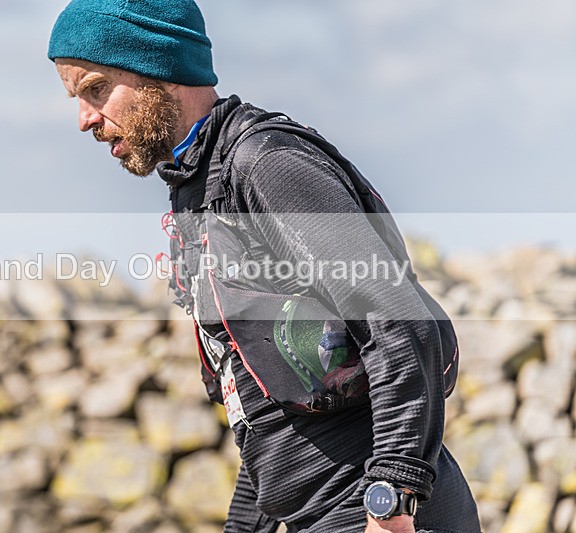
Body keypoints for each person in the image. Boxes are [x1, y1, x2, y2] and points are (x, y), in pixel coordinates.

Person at [47, 1, 482, 532]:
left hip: (380, 514)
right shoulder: (202, 187)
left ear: (158, 65)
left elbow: (401, 322)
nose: (84, 119)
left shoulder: (267, 165)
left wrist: (392, 499)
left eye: (96, 89)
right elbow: (265, 411)